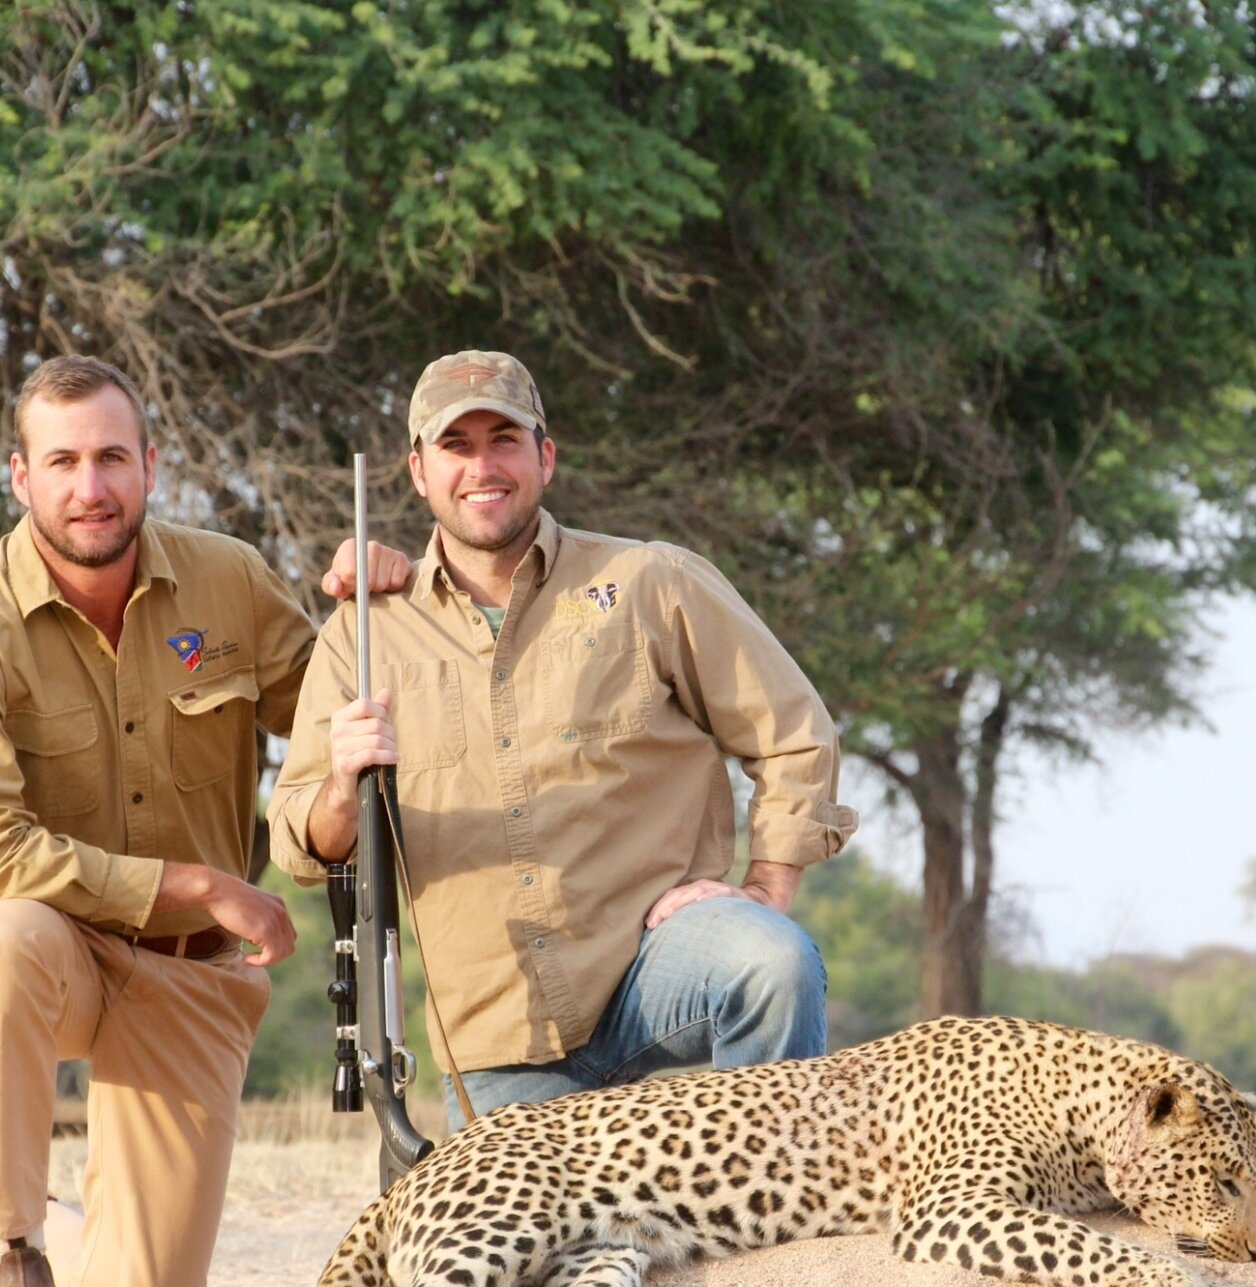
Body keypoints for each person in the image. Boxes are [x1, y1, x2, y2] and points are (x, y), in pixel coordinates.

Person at [0, 355, 408, 1287]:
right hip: (58, 948)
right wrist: (197, 882)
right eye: (61, 462)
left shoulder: (229, 579)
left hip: (191, 976)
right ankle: (9, 1248)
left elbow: (334, 709)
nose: (88, 488)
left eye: (110, 457)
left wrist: (380, 603)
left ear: (151, 463)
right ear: (20, 475)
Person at [267, 349, 857, 1132]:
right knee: (552, 1252)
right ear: (417, 471)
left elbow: (793, 733)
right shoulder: (366, 632)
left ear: (545, 455)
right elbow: (301, 842)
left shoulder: (651, 580)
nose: (483, 466)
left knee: (773, 962)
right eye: (456, 446)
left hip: (660, 972)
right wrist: (345, 782)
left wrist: (766, 889)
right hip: (499, 1040)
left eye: (504, 440)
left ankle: (779, 1210)